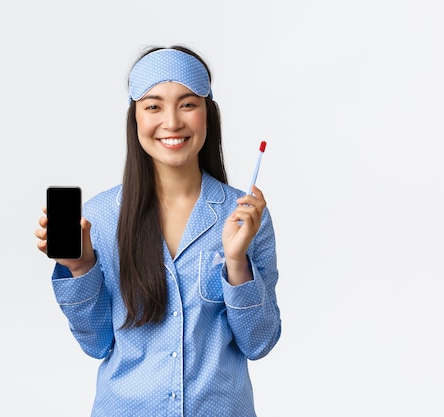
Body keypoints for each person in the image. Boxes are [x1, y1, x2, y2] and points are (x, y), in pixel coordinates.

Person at [35, 45, 281, 416]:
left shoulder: (244, 217)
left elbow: (259, 341)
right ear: (135, 118)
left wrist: (236, 263)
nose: (171, 122)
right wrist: (81, 267)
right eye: (153, 106)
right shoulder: (99, 217)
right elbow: (97, 343)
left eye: (187, 104)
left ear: (207, 115)